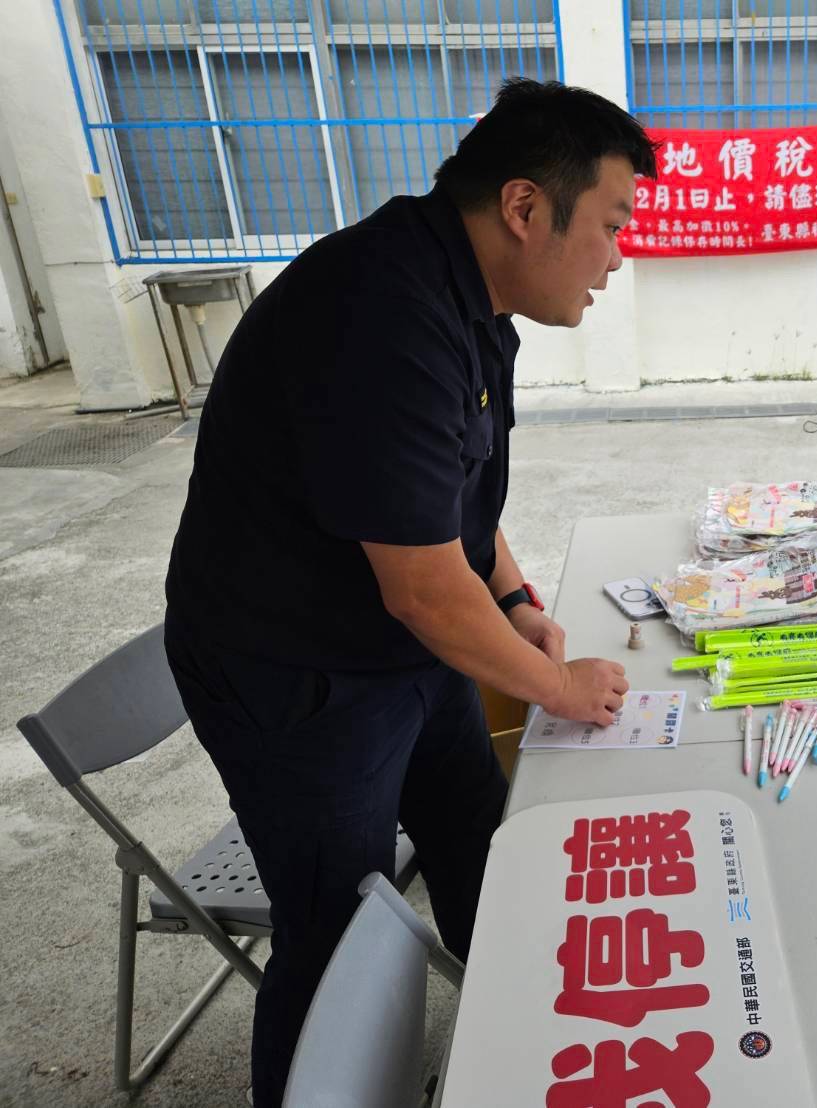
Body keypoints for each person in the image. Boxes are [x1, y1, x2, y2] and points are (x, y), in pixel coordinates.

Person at [163, 79, 654, 1107]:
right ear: (525, 207)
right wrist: (555, 686)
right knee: (340, 930)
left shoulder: (473, 299)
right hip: (299, 671)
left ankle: (512, 1043)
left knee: (479, 839)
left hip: (406, 648)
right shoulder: (379, 313)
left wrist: (516, 598)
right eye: (611, 224)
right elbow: (427, 590)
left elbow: (453, 500)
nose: (618, 255)